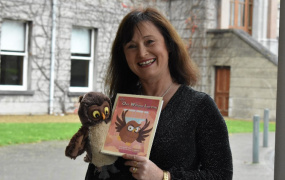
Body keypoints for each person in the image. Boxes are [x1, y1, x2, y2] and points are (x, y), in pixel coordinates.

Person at [85, 7, 233, 180]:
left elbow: (221, 175)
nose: (142, 53)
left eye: (150, 42)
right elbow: (95, 172)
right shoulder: (114, 107)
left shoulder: (200, 107)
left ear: (169, 45)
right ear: (123, 55)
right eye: (132, 46)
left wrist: (164, 177)